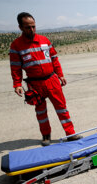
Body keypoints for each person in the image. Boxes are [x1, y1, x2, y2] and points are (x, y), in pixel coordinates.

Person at [9, 12, 82, 146]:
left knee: (62, 108)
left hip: (52, 80)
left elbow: (54, 59)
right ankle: (46, 136)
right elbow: (15, 68)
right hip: (35, 84)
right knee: (41, 112)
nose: (31, 30)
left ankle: (71, 134)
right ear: (20, 27)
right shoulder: (16, 46)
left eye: (33, 26)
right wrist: (17, 84)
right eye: (27, 27)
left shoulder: (44, 40)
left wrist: (60, 75)